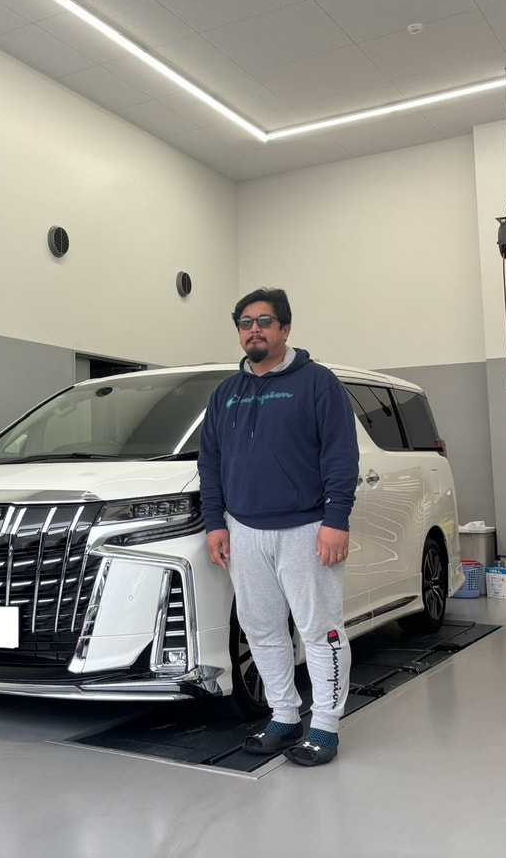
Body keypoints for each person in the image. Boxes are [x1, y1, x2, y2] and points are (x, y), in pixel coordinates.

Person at [197, 287, 358, 766]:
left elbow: (340, 455)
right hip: (243, 530)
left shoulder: (318, 383)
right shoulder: (224, 394)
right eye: (245, 323)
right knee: (261, 629)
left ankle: (325, 726)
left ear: (285, 329)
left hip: (307, 528)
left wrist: (336, 519)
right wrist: (215, 523)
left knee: (321, 630)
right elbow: (210, 463)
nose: (254, 330)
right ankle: (284, 716)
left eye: (264, 321)